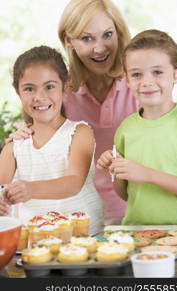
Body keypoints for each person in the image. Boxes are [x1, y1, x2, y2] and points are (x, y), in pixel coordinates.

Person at [7, 0, 137, 225]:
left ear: (119, 33)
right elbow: (37, 139)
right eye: (87, 38)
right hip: (75, 214)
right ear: (69, 40)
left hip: (134, 207)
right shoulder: (60, 92)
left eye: (107, 34)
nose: (99, 48)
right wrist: (20, 136)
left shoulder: (137, 83)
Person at [0, 45, 104, 235]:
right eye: (29, 89)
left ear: (65, 86)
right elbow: (1, 188)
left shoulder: (79, 132)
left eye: (49, 87)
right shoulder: (14, 147)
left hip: (84, 239)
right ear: (18, 91)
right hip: (34, 245)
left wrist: (30, 189)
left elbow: (73, 183)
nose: (39, 97)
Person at [97, 29, 177, 225]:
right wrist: (115, 170)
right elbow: (127, 195)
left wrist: (147, 174)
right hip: (137, 234)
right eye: (137, 74)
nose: (147, 82)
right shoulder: (126, 129)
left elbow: (143, 175)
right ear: (127, 80)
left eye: (157, 72)